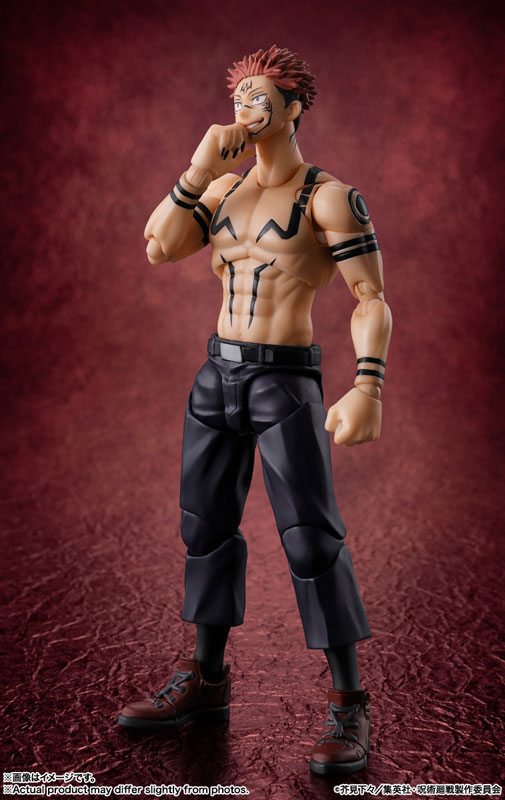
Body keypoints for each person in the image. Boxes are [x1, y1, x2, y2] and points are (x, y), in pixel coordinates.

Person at [118, 45, 392, 776]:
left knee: (310, 538)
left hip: (283, 381)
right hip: (217, 375)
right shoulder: (221, 190)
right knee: (204, 529)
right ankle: (206, 681)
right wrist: (196, 171)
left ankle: (349, 701)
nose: (247, 110)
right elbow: (158, 246)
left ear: (293, 109)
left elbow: (370, 297)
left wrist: (367, 385)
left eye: (261, 98)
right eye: (239, 98)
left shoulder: (328, 197)